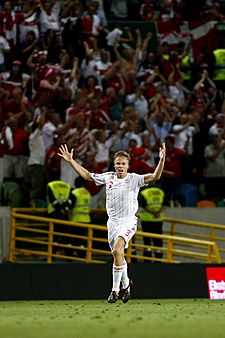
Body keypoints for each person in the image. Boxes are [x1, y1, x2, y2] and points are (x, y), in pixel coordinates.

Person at [57, 142, 166, 303]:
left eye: (123, 163)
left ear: (128, 166)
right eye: (118, 163)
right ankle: (126, 284)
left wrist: (161, 161)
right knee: (118, 255)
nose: (120, 166)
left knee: (117, 250)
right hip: (113, 223)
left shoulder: (134, 179)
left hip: (128, 221)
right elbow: (87, 175)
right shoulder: (108, 177)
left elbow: (155, 176)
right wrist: (71, 161)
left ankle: (115, 291)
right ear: (114, 165)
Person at [139, 184, 165, 261]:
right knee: (158, 240)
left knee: (147, 240)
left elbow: (143, 205)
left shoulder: (144, 193)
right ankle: (158, 258)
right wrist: (158, 213)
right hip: (158, 220)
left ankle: (147, 258)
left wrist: (153, 212)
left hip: (147, 220)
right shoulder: (161, 192)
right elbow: (164, 204)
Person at [69, 176, 91, 258]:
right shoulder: (87, 192)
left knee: (76, 238)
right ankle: (83, 254)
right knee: (83, 239)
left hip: (76, 219)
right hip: (86, 219)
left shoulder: (75, 192)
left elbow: (70, 206)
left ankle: (74, 255)